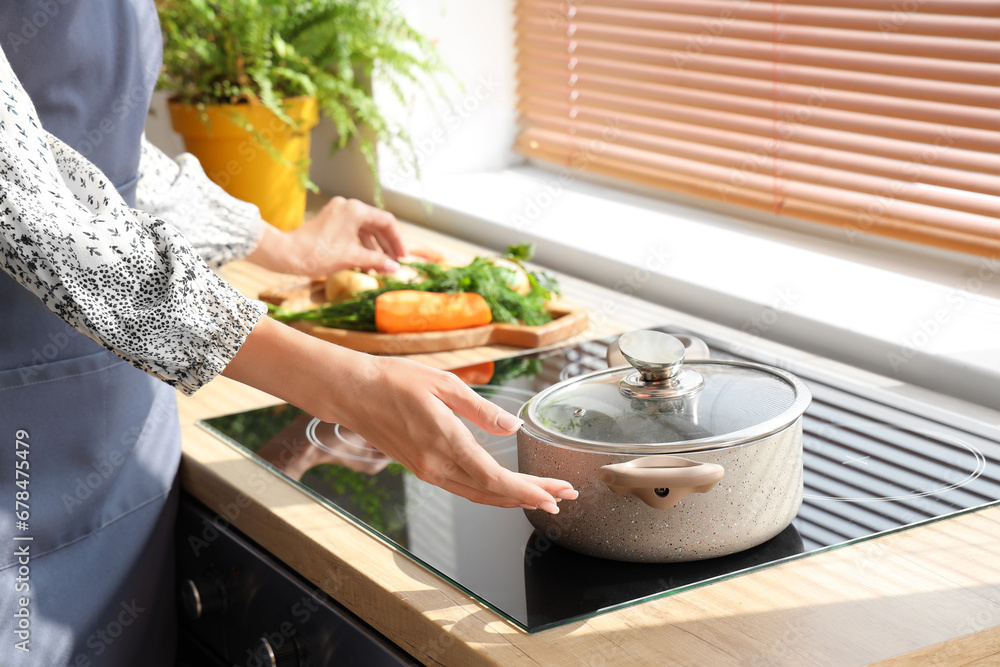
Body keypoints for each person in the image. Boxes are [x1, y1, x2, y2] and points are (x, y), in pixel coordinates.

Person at [0, 3, 575, 665]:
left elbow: (90, 147)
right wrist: (350, 385)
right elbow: (37, 217)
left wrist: (278, 244)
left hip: (122, 439)